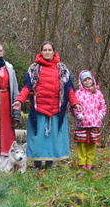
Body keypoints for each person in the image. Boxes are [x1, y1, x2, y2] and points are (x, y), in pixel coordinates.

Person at [13, 42, 80, 170]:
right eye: (45, 50)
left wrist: (75, 103)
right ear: (41, 52)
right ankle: (37, 165)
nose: (47, 52)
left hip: (56, 110)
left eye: (50, 50)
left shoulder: (62, 68)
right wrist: (20, 101)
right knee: (38, 139)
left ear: (54, 52)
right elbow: (27, 87)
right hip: (38, 110)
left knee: (52, 140)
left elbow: (69, 89)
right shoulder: (34, 68)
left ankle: (49, 165)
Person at [72, 71, 107, 170]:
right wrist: (78, 115)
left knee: (92, 144)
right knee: (81, 143)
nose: (87, 82)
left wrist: (100, 115)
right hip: (82, 123)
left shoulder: (98, 93)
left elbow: (103, 106)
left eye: (89, 79)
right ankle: (82, 162)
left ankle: (89, 162)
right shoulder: (78, 94)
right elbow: (74, 106)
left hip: (94, 123)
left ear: (92, 80)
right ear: (81, 82)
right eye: (85, 80)